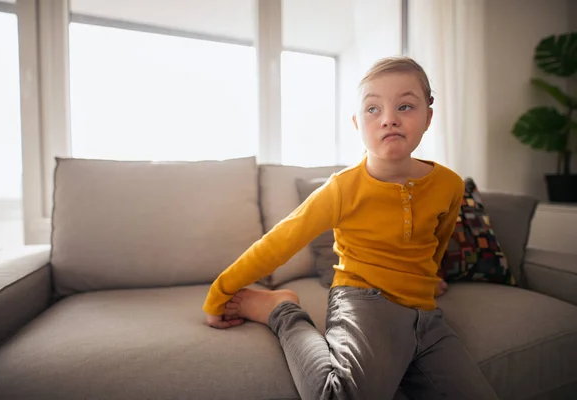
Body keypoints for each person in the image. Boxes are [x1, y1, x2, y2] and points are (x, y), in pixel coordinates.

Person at [202, 56, 499, 400]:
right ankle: (281, 311)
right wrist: (219, 293)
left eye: (405, 106)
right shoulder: (342, 189)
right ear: (357, 123)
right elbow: (280, 241)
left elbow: (438, 239)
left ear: (428, 117)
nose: (389, 119)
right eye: (374, 110)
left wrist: (431, 278)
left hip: (426, 315)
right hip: (362, 300)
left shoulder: (449, 184)